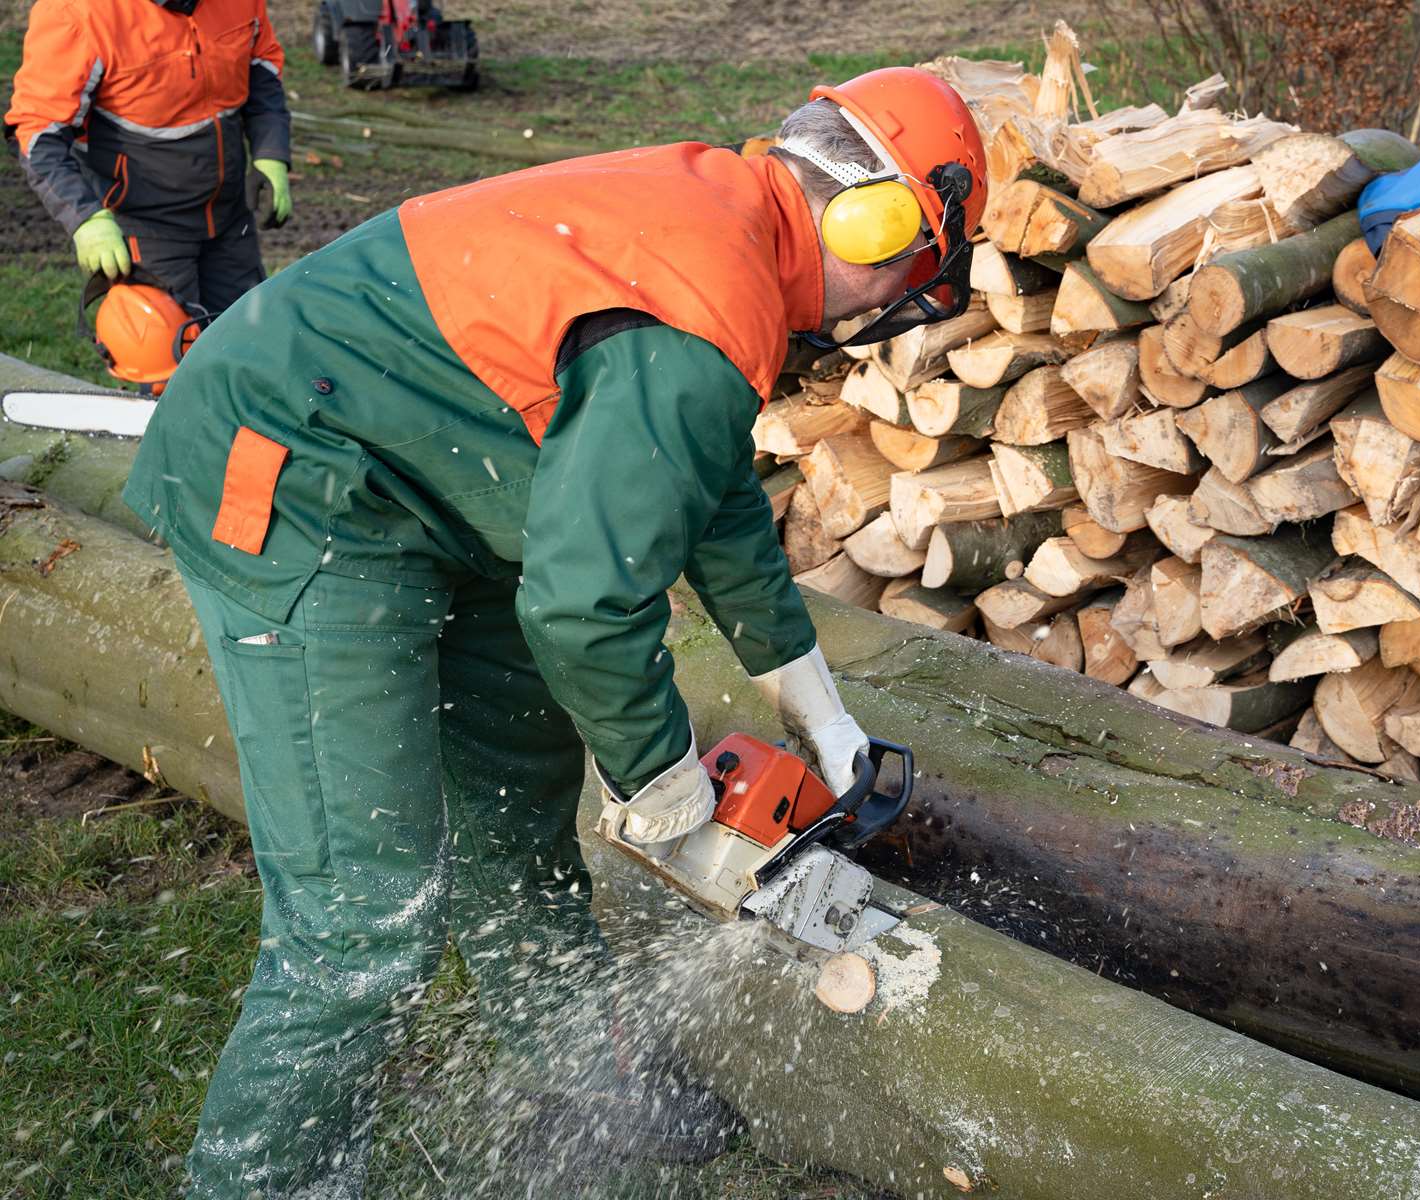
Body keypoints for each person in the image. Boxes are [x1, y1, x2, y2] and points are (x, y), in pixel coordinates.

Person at [119, 66, 986, 1197]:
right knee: (362, 920)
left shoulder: (732, 239)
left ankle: (579, 1065)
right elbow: (585, 606)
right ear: (887, 231)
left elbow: (714, 497)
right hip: (297, 485)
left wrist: (818, 712)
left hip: (445, 489)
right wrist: (660, 778)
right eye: (913, 277)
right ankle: (265, 1182)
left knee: (518, 811)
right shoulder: (705, 305)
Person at [5, 0, 293, 320]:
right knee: (168, 354)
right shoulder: (77, 13)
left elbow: (262, 71)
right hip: (144, 227)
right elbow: (37, 132)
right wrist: (86, 219)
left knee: (248, 340)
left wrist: (271, 153)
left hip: (229, 216)